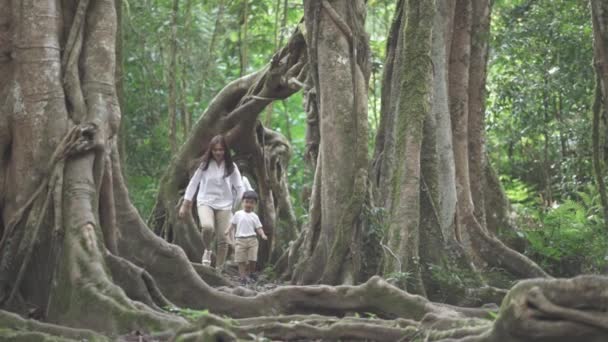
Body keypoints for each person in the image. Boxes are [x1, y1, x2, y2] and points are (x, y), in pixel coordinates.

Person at [179, 135, 245, 269]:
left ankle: (218, 270)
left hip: (225, 204)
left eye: (221, 150)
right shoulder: (204, 165)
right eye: (215, 150)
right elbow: (193, 183)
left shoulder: (231, 167)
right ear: (211, 150)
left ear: (225, 150)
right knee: (208, 227)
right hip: (205, 201)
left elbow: (239, 187)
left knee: (223, 239)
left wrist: (237, 206)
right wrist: (185, 204)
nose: (218, 153)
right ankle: (207, 250)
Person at [225, 190, 267, 285]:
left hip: (252, 240)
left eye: (251, 203)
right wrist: (228, 230)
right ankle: (242, 277)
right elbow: (232, 224)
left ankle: (251, 273)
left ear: (255, 204)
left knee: (253, 259)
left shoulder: (254, 216)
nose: (248, 204)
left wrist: (262, 234)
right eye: (246, 202)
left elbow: (258, 227)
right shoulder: (238, 214)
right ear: (243, 202)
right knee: (241, 260)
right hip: (240, 240)